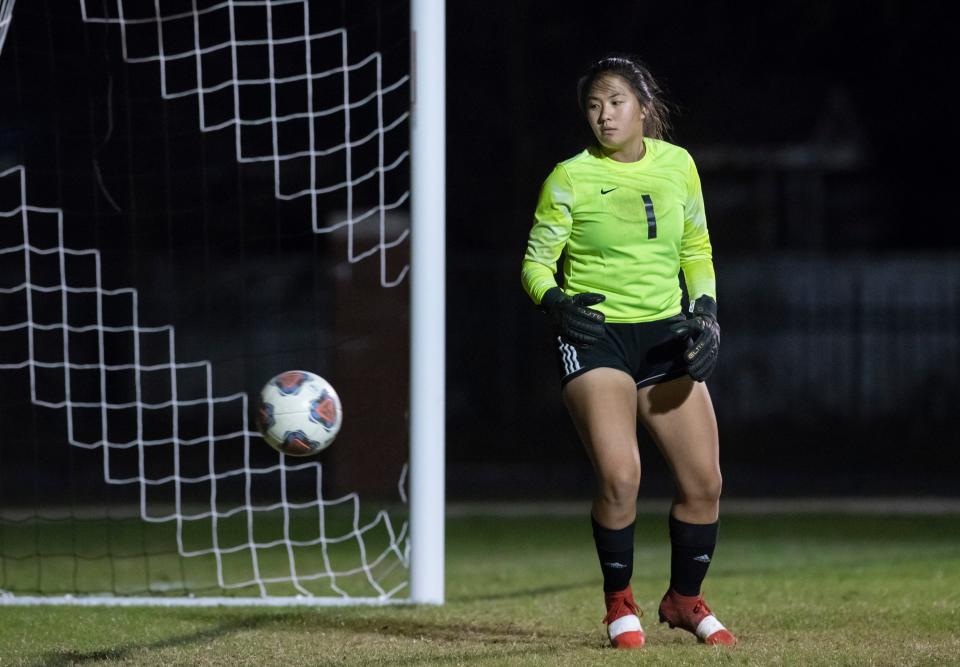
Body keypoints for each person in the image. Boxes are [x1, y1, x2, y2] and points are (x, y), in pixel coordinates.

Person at [520, 54, 736, 649]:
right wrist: (555, 302)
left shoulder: (679, 166)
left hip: (666, 332)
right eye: (593, 105)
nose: (604, 115)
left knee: (704, 483)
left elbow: (697, 247)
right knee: (621, 476)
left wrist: (707, 315)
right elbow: (536, 264)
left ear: (644, 107)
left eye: (615, 102)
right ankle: (620, 603)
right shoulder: (569, 177)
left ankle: (684, 600)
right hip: (597, 337)